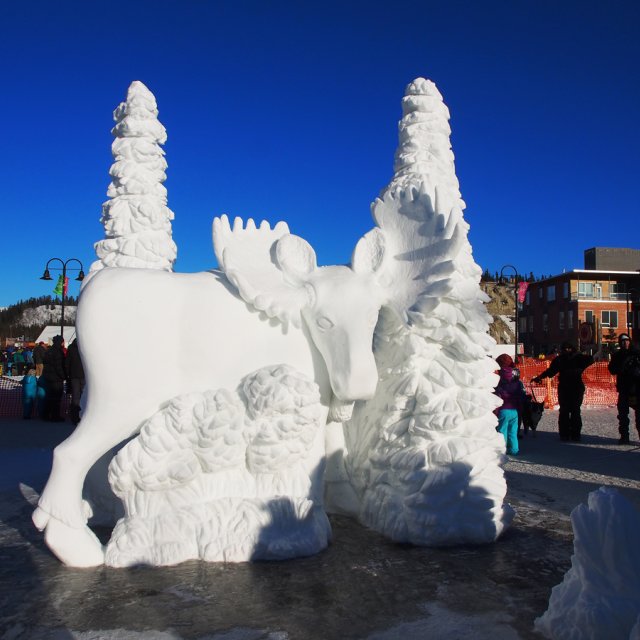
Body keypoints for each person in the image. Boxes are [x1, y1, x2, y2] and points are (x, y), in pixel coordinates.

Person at [532, 341, 595, 442]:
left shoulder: (575, 358)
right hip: (567, 388)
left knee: (573, 411)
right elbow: (551, 371)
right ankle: (566, 434)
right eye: (565, 349)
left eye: (568, 348)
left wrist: (580, 355)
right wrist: (539, 377)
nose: (566, 350)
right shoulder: (561, 359)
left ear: (572, 349)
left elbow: (591, 360)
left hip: (575, 388)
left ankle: (574, 434)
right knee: (566, 412)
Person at [607, 333, 640, 445]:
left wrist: (636, 371)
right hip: (624, 389)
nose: (625, 343)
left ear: (630, 342)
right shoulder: (618, 355)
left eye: (627, 341)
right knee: (622, 415)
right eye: (622, 341)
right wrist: (621, 368)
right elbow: (611, 369)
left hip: (636, 389)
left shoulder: (636, 353)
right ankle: (624, 437)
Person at [495, 353, 526, 456]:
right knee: (513, 431)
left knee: (502, 430)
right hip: (515, 410)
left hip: (503, 409)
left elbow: (497, 394)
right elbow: (522, 394)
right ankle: (514, 449)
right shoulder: (517, 380)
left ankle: (501, 450)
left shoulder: (499, 380)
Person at [41, 335, 66, 422]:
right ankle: (55, 416)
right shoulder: (58, 352)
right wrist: (63, 376)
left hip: (48, 377)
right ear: (60, 342)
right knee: (56, 398)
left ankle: (46, 414)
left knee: (49, 396)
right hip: (56, 378)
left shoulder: (49, 351)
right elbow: (59, 366)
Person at [65, 338, 85, 425]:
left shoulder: (71, 348)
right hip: (84, 375)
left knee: (75, 396)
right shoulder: (84, 348)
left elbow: (67, 363)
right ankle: (83, 415)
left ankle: (74, 416)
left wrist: (68, 374)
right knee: (83, 395)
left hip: (74, 376)